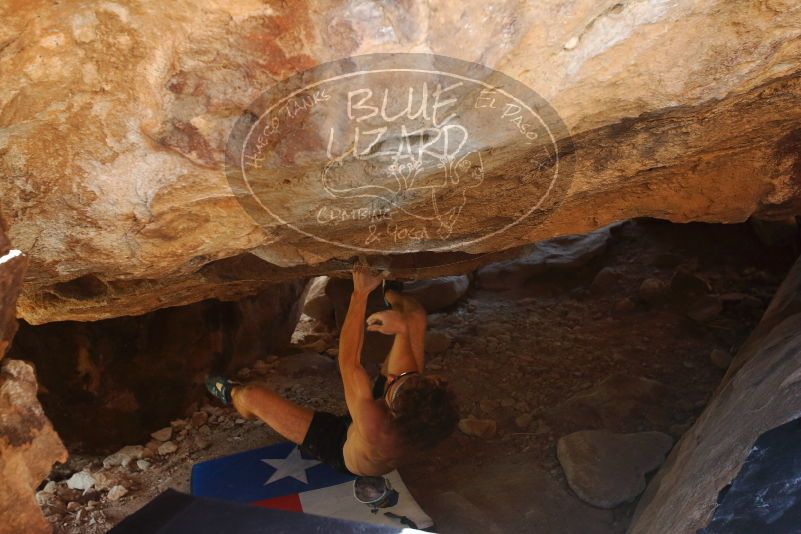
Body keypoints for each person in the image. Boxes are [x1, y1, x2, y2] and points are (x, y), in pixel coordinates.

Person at [205, 265, 459, 476]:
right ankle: (390, 293)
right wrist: (402, 329)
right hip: (388, 413)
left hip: (340, 445)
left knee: (252, 395)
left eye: (393, 385)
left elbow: (349, 362)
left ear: (393, 414)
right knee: (415, 318)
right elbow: (403, 378)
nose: (393, 377)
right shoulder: (421, 411)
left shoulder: (377, 428)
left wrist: (359, 293)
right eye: (404, 379)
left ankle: (230, 394)